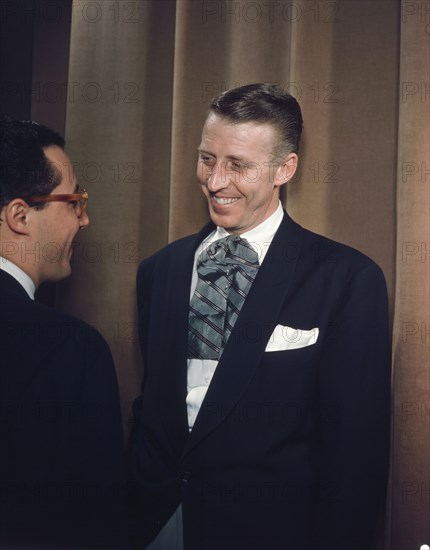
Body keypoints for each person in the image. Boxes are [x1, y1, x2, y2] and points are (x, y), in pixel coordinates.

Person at [129, 84, 391, 550]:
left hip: (272, 531)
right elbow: (151, 407)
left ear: (283, 169)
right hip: (154, 521)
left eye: (239, 165)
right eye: (207, 159)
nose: (214, 181)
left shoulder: (347, 278)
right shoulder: (160, 269)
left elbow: (357, 455)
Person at [0, 117, 126, 548]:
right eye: (74, 201)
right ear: (20, 215)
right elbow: (98, 522)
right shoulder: (71, 348)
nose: (85, 219)